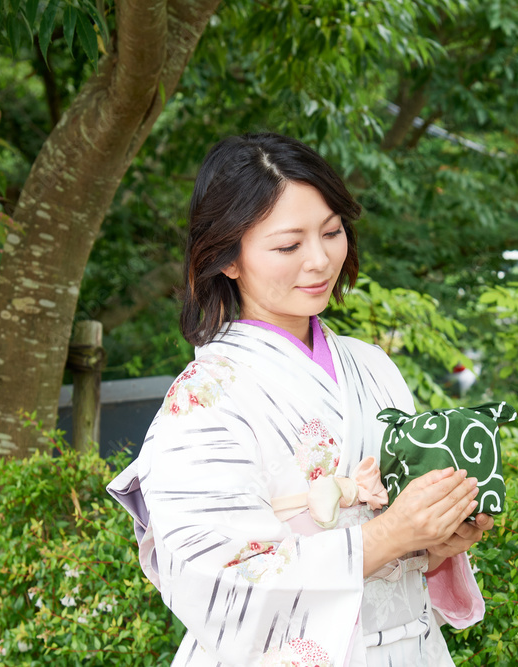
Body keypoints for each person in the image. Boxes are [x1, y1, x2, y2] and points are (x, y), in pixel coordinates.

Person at [107, 133, 493, 666]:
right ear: (227, 259)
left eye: (332, 232)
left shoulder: (371, 365)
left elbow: (400, 562)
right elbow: (224, 583)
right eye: (289, 246)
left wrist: (433, 544)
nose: (320, 260)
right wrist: (388, 535)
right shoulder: (203, 399)